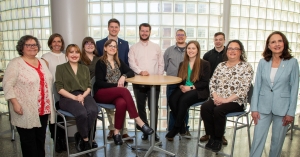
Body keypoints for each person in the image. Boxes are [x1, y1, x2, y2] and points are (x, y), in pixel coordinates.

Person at [93, 39, 154, 145]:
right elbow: (99, 83)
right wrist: (117, 86)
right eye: (110, 46)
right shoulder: (100, 62)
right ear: (105, 48)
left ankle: (116, 133)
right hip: (101, 93)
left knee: (122, 103)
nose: (112, 48)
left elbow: (131, 72)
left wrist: (123, 76)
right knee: (124, 90)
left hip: (116, 94)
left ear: (117, 49)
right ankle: (139, 121)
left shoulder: (118, 61)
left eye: (114, 46)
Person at [3, 35, 54, 157]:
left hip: (43, 109)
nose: (32, 47)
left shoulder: (42, 62)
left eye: (34, 45)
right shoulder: (15, 63)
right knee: (28, 142)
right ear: (22, 47)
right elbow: (7, 85)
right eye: (28, 45)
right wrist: (15, 103)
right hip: (24, 109)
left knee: (40, 140)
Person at [250, 31, 299, 157]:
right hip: (262, 108)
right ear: (268, 45)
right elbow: (257, 86)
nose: (277, 44)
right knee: (257, 140)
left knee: (277, 143)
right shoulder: (263, 62)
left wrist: (291, 112)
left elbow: (294, 88)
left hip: (283, 109)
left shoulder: (292, 62)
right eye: (273, 42)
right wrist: (254, 108)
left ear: (284, 43)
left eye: (280, 41)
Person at [201, 40, 253, 152]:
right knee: (205, 107)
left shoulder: (246, 67)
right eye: (230, 48)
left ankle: (218, 139)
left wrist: (225, 100)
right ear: (226, 51)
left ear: (241, 51)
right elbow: (212, 82)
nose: (232, 51)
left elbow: (244, 89)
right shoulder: (221, 66)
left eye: (235, 49)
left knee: (218, 111)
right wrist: (215, 97)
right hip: (218, 98)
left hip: (236, 101)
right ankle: (211, 137)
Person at [55, 44, 98, 154]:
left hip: (84, 95)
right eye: (71, 52)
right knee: (82, 112)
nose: (74, 55)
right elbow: (59, 88)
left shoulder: (84, 68)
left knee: (93, 110)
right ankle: (86, 140)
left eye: (77, 52)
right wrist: (75, 97)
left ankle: (80, 134)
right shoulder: (60, 68)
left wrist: (82, 96)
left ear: (80, 54)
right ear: (67, 54)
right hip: (67, 97)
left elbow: (89, 86)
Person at [165, 40, 211, 140]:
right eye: (189, 48)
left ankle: (176, 127)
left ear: (198, 50)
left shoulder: (205, 64)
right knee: (172, 99)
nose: (191, 50)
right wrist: (181, 86)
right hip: (184, 88)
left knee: (183, 100)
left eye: (193, 48)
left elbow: (204, 82)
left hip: (198, 90)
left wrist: (190, 88)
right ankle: (182, 126)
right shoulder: (183, 64)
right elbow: (180, 79)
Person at [96, 18, 132, 141]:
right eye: (112, 27)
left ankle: (124, 131)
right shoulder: (100, 43)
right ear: (108, 28)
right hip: (106, 84)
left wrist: (124, 77)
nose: (114, 29)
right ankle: (113, 129)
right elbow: (100, 64)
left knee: (123, 103)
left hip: (121, 80)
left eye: (116, 27)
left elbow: (126, 64)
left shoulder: (124, 43)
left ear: (119, 29)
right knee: (110, 108)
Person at [128, 23, 164, 141]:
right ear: (139, 32)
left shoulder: (156, 47)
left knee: (153, 107)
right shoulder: (133, 48)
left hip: (154, 83)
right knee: (141, 106)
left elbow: (161, 63)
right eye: (142, 31)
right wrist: (140, 71)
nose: (144, 33)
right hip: (139, 81)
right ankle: (145, 130)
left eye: (146, 31)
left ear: (150, 32)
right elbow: (131, 63)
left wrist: (158, 77)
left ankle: (154, 132)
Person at [41, 33, 67, 152]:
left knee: (63, 115)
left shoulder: (66, 56)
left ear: (62, 44)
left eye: (59, 41)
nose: (57, 44)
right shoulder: (45, 57)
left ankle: (63, 140)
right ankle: (56, 140)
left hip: (65, 90)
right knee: (53, 116)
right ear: (51, 43)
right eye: (54, 41)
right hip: (51, 90)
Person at [201, 32, 228, 145]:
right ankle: (208, 133)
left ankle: (220, 134)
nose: (218, 41)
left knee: (221, 110)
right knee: (207, 109)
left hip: (225, 89)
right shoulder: (207, 55)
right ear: (213, 40)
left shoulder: (229, 54)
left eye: (220, 39)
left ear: (224, 40)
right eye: (216, 39)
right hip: (209, 87)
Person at [164, 29, 190, 139]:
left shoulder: (191, 49)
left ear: (185, 36)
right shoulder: (169, 50)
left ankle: (184, 130)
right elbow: (165, 66)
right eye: (178, 35)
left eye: (182, 35)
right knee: (172, 106)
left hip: (186, 83)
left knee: (185, 106)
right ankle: (173, 130)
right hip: (171, 83)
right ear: (175, 37)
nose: (180, 37)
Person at [77, 37, 99, 150]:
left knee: (93, 111)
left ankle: (91, 137)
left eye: (92, 43)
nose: (90, 45)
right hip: (82, 90)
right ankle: (83, 136)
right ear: (83, 46)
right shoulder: (79, 59)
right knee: (86, 112)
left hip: (95, 91)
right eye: (87, 43)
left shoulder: (99, 59)